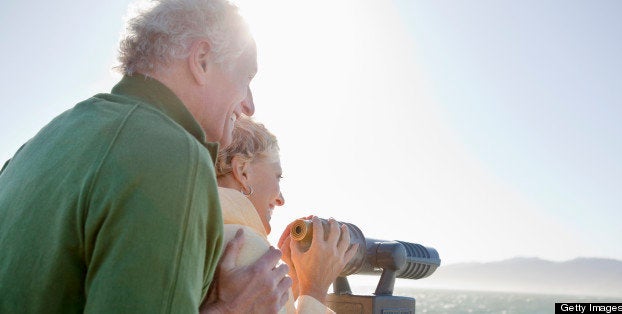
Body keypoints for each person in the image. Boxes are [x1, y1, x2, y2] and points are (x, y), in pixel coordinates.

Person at [0, 0, 290, 313]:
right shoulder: (173, 156)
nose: (249, 105)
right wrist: (234, 309)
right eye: (246, 78)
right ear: (202, 60)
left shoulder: (38, 144)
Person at [214, 117, 358, 313]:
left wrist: (294, 286)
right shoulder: (245, 247)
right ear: (243, 171)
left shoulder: (206, 231)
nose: (281, 199)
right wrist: (315, 289)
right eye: (277, 177)